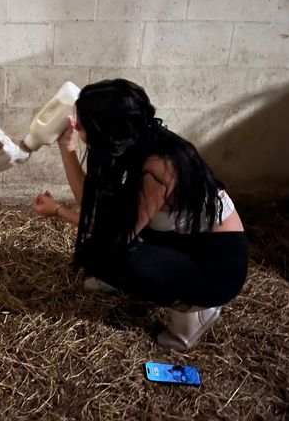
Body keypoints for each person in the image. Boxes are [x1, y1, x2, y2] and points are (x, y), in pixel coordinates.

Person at [32, 79, 248, 351]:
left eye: (83, 123)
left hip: (215, 266)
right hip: (182, 238)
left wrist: (58, 211)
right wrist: (68, 147)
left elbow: (112, 234)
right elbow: (93, 207)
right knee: (98, 252)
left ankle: (196, 311)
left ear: (106, 129)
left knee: (109, 254)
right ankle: (146, 277)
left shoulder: (159, 167)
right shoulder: (131, 142)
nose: (76, 125)